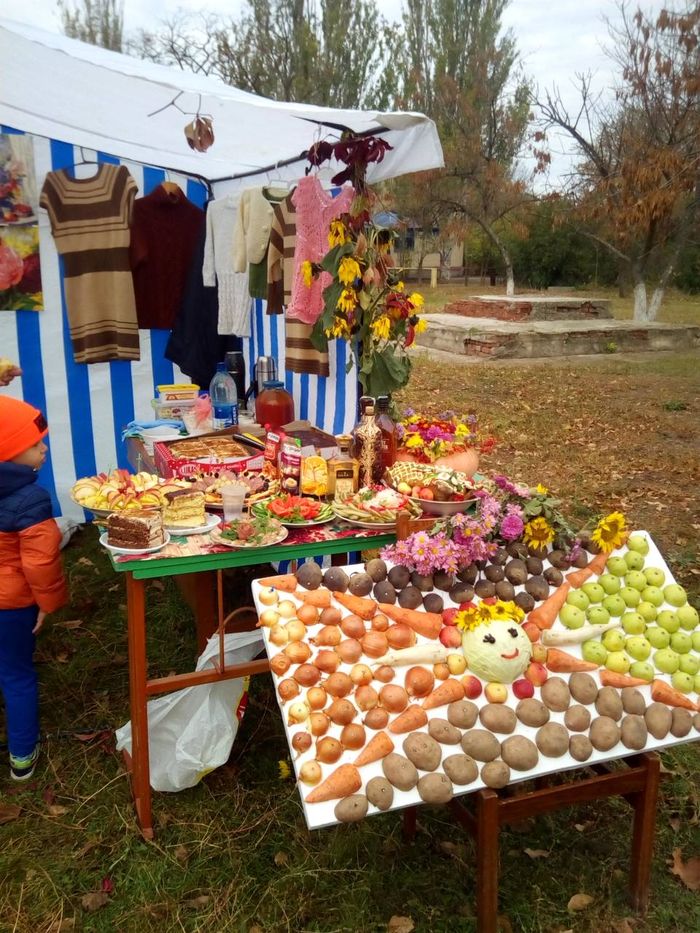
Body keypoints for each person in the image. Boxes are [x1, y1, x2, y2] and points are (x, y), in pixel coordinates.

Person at [0, 396, 67, 780]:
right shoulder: (31, 499)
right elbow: (40, 562)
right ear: (8, 453)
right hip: (11, 606)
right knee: (17, 675)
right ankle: (22, 755)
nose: (44, 449)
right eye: (35, 443)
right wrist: (47, 602)